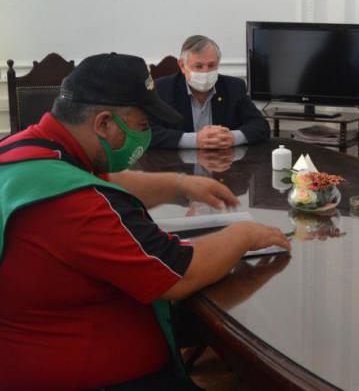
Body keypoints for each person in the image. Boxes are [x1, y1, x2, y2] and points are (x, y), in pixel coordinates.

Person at [0, 53, 291, 390]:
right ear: (104, 123)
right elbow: (179, 273)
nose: (146, 136)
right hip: (82, 376)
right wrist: (243, 235)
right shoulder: (76, 205)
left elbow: (104, 181)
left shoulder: (25, 149)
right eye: (141, 126)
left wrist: (178, 186)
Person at [150, 35, 270, 149]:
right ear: (182, 65)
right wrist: (194, 140)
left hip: (224, 164)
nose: (205, 72)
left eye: (211, 65)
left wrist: (232, 137)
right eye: (198, 66)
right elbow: (148, 132)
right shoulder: (162, 89)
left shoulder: (233, 87)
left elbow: (261, 126)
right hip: (178, 166)